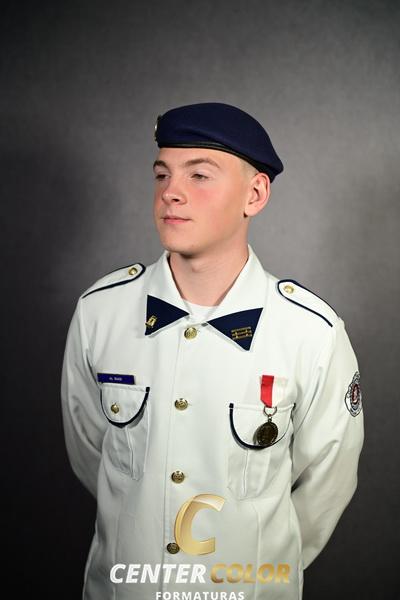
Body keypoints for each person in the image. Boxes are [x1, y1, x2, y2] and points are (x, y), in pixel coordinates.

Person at [61, 102, 364, 600]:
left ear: (255, 194)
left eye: (199, 175)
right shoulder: (101, 312)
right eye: (162, 174)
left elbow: (327, 485)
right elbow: (93, 456)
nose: (171, 192)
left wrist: (259, 560)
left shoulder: (311, 332)